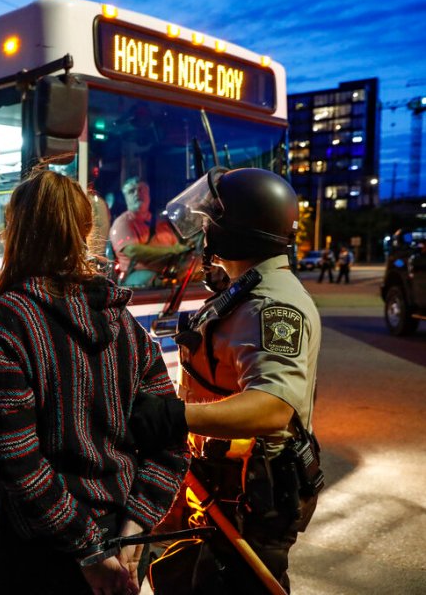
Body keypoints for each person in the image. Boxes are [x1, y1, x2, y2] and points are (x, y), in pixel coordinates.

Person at [0, 169, 190, 595]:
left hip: (34, 552)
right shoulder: (126, 324)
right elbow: (171, 437)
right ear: (87, 231)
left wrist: (90, 552)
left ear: (13, 230)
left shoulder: (6, 322)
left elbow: (19, 463)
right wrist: (134, 528)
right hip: (118, 548)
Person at [134, 167, 322, 593]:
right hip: (224, 489)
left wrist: (174, 416)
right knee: (179, 578)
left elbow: (273, 407)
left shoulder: (273, 306)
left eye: (211, 221)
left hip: (254, 500)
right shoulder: (246, 291)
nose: (205, 232)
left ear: (240, 231)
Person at [109, 179, 189, 288]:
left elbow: (179, 249)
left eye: (141, 190)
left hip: (169, 274)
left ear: (148, 195)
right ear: (125, 197)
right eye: (132, 191)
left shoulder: (160, 223)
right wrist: (174, 250)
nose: (137, 193)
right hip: (140, 279)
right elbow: (133, 251)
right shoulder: (122, 223)